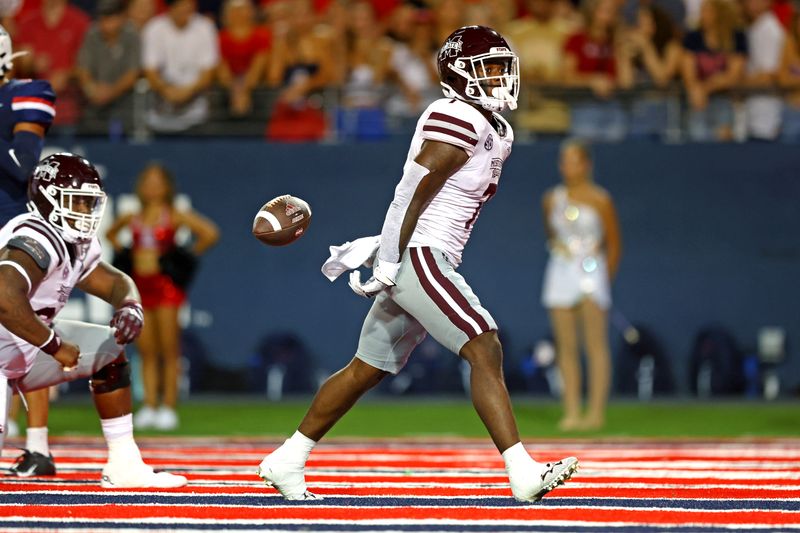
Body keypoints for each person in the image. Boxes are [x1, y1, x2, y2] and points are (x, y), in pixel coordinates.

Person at [257, 25, 578, 503]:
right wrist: (388, 259)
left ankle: (287, 458)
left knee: (366, 368)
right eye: (487, 69)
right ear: (459, 75)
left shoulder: (493, 125)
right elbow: (411, 189)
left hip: (424, 252)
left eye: (500, 67)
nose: (499, 78)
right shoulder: (457, 115)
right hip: (419, 253)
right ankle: (521, 471)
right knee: (483, 344)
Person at [0, 152, 187, 488]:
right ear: (48, 199)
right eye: (77, 202)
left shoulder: (76, 242)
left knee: (107, 347)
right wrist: (54, 345)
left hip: (18, 351)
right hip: (12, 347)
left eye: (89, 203)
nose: (85, 212)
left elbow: (113, 281)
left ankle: (124, 463)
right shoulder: (36, 237)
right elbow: (4, 298)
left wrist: (130, 304)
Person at [105, 162, 219, 431]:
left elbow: (209, 233)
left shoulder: (174, 215)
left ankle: (168, 406)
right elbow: (110, 234)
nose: (152, 187)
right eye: (147, 181)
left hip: (166, 288)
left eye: (157, 182)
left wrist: (183, 257)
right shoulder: (133, 217)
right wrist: (127, 255)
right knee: (145, 350)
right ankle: (149, 405)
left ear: (167, 187)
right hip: (140, 289)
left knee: (169, 348)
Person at [0, 24, 59, 477]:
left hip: (13, 232)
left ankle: (38, 447)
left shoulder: (28, 92)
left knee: (28, 336)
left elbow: (23, 166)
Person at [541, 138, 621, 432]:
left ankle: (596, 411)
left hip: (591, 271)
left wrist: (603, 278)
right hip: (561, 270)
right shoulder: (551, 198)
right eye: (564, 161)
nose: (567, 167)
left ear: (586, 164)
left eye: (574, 161)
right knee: (566, 346)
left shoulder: (601, 199)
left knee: (595, 345)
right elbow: (551, 232)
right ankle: (572, 410)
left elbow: (614, 244)